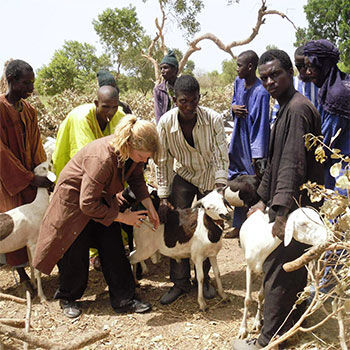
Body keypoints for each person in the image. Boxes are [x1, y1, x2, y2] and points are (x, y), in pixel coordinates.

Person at [232, 49, 324, 349]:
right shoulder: (285, 108)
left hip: (297, 207)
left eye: (276, 75)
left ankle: (269, 340)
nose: (270, 82)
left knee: (278, 272)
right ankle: (294, 321)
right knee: (293, 270)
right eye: (265, 78)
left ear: (291, 74)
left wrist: (281, 213)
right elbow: (274, 162)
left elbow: (293, 165)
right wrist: (260, 200)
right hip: (291, 203)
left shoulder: (297, 110)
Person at [33, 115, 160, 318]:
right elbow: (86, 203)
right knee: (75, 251)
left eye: (147, 157)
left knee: (113, 248)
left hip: (99, 201)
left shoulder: (130, 155)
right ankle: (68, 296)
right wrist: (123, 217)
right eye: (142, 156)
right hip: (74, 206)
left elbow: (136, 177)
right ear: (128, 145)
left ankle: (124, 298)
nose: (145, 161)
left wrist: (149, 206)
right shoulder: (101, 159)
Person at [156, 75, 229, 305]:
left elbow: (220, 155)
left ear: (200, 98)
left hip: (209, 177)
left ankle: (204, 279)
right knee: (178, 225)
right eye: (183, 101)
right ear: (175, 99)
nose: (189, 106)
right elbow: (163, 160)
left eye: (194, 100)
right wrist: (163, 195)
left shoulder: (214, 119)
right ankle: (179, 282)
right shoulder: (166, 123)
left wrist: (219, 189)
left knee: (207, 227)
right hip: (183, 176)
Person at [0, 59, 53, 287]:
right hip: (6, 179)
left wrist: (42, 174)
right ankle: (21, 275)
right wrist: (29, 178)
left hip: (30, 177)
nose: (31, 89)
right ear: (11, 81)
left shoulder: (29, 110)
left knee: (30, 223)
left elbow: (36, 145)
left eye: (32, 83)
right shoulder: (1, 108)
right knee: (10, 221)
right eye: (26, 83)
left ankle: (35, 270)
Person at [304, 39, 350, 296]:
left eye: (313, 65)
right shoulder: (340, 84)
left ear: (326, 64)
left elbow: (328, 143)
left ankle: (328, 284)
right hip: (341, 165)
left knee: (336, 223)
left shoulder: (337, 94)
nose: (308, 71)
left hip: (342, 170)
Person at [227, 50, 270, 238]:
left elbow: (261, 125)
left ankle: (252, 228)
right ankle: (238, 225)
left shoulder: (262, 92)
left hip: (252, 145)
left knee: (252, 183)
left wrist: (257, 154)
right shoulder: (238, 83)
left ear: (250, 67)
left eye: (239, 65)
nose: (237, 69)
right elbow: (234, 103)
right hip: (237, 140)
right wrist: (232, 108)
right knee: (238, 182)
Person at [53, 85, 125, 178]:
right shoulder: (81, 118)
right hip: (77, 167)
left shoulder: (119, 115)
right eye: (106, 107)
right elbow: (87, 155)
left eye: (114, 107)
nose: (111, 112)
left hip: (102, 169)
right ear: (96, 103)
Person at [270, 45, 319, 125]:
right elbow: (276, 114)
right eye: (299, 66)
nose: (303, 70)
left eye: (306, 66)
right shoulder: (288, 84)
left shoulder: (319, 85)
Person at [153, 50, 179, 123]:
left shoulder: (184, 87)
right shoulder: (158, 90)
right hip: (166, 125)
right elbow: (158, 113)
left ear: (175, 70)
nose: (162, 71)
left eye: (165, 68)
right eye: (161, 68)